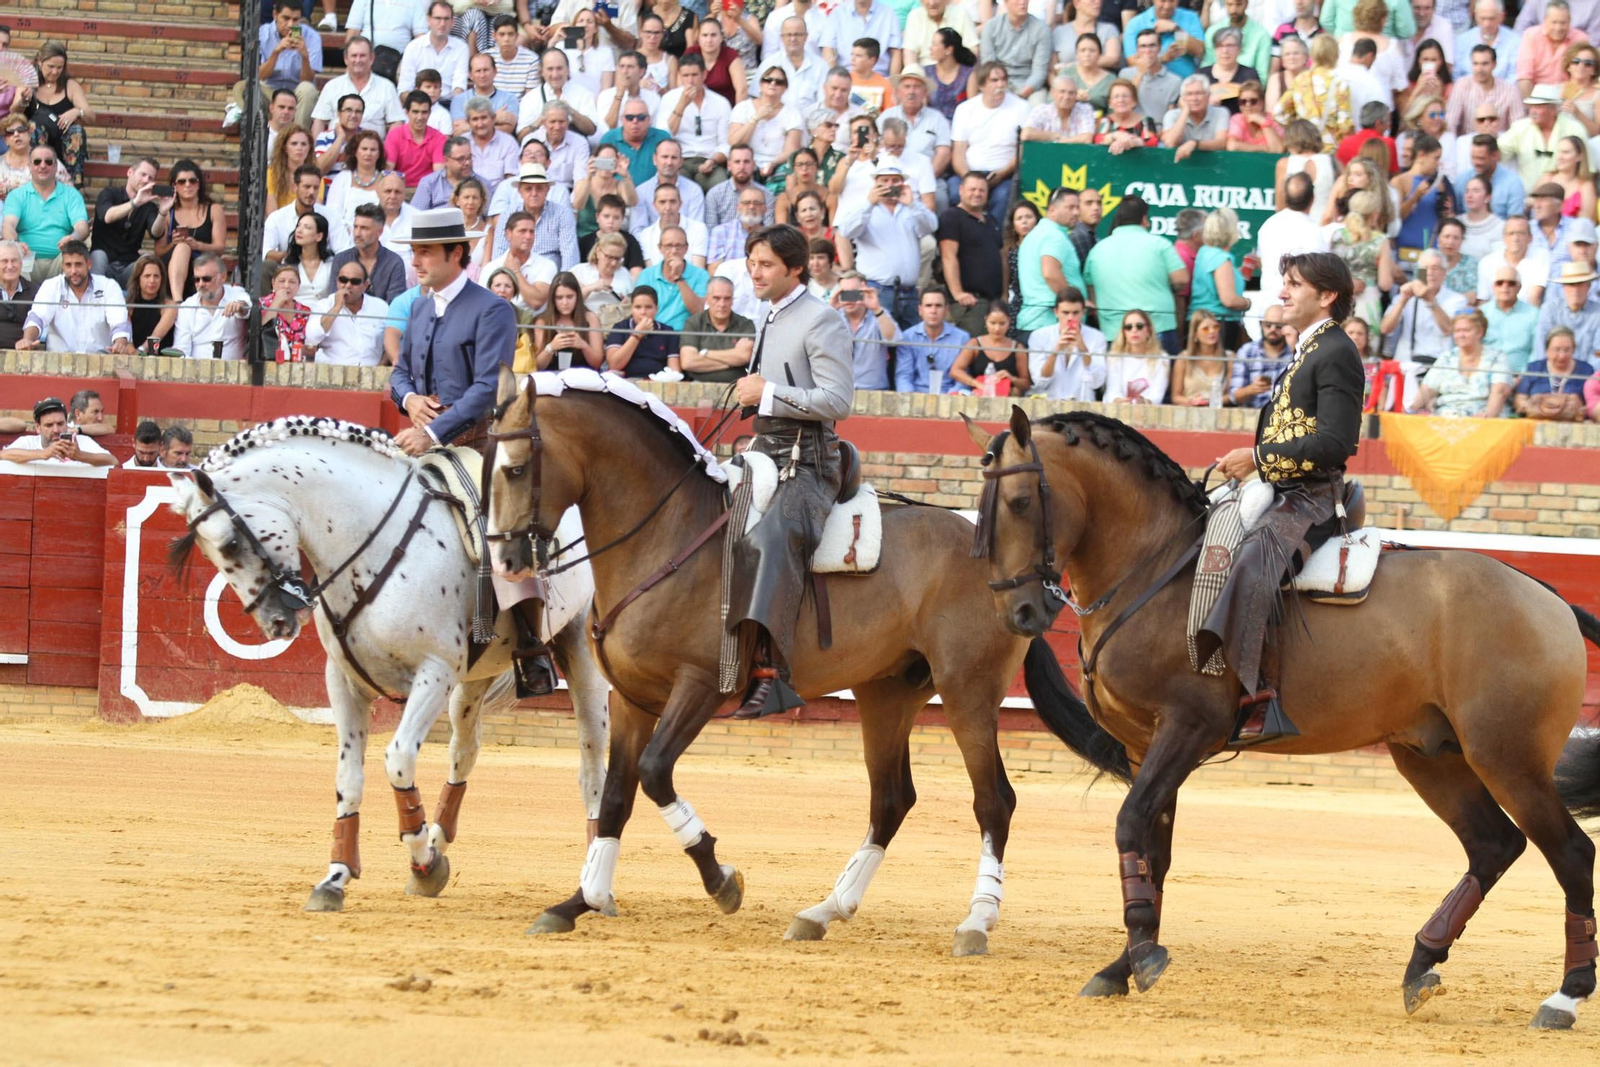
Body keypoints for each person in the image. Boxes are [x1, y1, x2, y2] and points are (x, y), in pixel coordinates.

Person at [388, 204, 555, 695]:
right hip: (422, 442)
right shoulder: (420, 307)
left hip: (478, 445)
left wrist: (434, 431)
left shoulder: (493, 309)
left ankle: (530, 646)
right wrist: (409, 399)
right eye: (415, 251)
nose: (416, 261)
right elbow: (399, 373)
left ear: (456, 254)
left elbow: (487, 388)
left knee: (498, 532)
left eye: (426, 251)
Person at [1208, 252, 1364, 745]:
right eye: (1285, 283)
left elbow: (1335, 442)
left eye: (1294, 284)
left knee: (1253, 563)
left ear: (1327, 295)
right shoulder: (1311, 347)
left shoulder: (1335, 350)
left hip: (1312, 497)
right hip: (1285, 489)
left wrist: (1258, 459)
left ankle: (1258, 698)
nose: (1282, 293)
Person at [725, 222, 853, 718]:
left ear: (795, 268)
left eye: (766, 265)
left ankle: (771, 672)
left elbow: (839, 401)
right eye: (751, 263)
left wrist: (769, 393)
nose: (755, 273)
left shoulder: (822, 319)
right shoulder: (772, 314)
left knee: (773, 538)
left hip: (811, 459)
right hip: (766, 450)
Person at [837, 159, 936, 328]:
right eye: (884, 180)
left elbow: (931, 226)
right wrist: (869, 203)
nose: (890, 185)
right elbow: (846, 231)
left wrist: (912, 204)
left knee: (910, 340)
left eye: (895, 180)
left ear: (902, 183)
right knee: (879, 339)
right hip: (877, 290)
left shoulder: (911, 207)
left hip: (909, 291)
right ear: (876, 183)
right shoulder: (863, 206)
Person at [1085, 195, 1190, 350]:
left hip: (1114, 332)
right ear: (1144, 219)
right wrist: (1169, 287)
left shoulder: (1096, 251)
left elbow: (1092, 292)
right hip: (1157, 328)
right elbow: (1181, 279)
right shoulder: (1160, 244)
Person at [15, 242, 133, 354]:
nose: (73, 271)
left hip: (101, 360)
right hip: (58, 361)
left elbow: (119, 321)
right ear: (62, 266)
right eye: (68, 265)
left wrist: (120, 344)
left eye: (78, 264)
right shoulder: (51, 285)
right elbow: (37, 317)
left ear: (89, 264)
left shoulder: (108, 286)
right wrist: (27, 339)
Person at [948, 62, 1028, 226]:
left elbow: (1022, 150)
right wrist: (972, 180)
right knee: (955, 191)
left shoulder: (1022, 107)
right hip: (969, 172)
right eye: (994, 80)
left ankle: (993, 236)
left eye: (1003, 80)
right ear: (981, 85)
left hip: (1004, 174)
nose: (1000, 85)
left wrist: (1003, 172)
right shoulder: (965, 109)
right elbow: (958, 155)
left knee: (1003, 195)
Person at [227, 1, 322, 131]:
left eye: (295, 20)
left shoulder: (312, 37)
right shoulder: (261, 34)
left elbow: (307, 80)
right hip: (270, 92)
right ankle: (263, 132)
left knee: (308, 89)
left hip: (296, 93)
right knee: (244, 88)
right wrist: (276, 53)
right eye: (286, 18)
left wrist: (305, 56)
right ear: (275, 15)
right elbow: (259, 75)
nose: (290, 24)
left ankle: (296, 135)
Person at [1, 142, 87, 283]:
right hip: (26, 259)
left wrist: (74, 237)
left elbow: (82, 226)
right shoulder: (17, 195)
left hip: (61, 259)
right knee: (10, 256)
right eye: (37, 162)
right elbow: (8, 225)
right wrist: (15, 245)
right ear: (29, 166)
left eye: (48, 162)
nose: (42, 166)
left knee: (77, 251)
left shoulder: (71, 195)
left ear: (56, 166)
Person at [1409, 308, 1514, 415]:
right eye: (1457, 331)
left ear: (1480, 332)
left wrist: (1488, 416)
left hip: (1483, 417)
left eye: (1466, 330)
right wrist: (1411, 410)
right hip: (1445, 416)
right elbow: (1427, 389)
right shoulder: (1447, 357)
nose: (1461, 335)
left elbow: (1499, 392)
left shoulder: (1497, 357)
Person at [936, 171, 1002, 340]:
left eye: (981, 190)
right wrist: (958, 293)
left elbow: (1001, 257)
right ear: (961, 190)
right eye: (972, 189)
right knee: (974, 350)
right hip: (971, 302)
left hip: (994, 302)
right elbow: (948, 256)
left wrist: (1004, 295)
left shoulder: (992, 221)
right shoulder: (952, 216)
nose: (977, 194)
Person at [1014, 185, 1084, 336]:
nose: (1076, 212)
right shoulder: (1053, 236)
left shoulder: (1035, 234)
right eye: (1070, 207)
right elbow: (1050, 274)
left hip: (1033, 323)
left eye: (1077, 207)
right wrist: (1074, 303)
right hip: (1049, 325)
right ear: (1052, 209)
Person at [659, 53, 735, 191]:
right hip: (679, 160)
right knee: (674, 188)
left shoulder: (720, 102)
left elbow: (725, 143)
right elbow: (665, 136)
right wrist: (682, 105)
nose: (690, 81)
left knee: (722, 188)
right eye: (685, 76)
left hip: (709, 159)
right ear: (679, 76)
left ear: (704, 75)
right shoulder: (669, 99)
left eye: (694, 75)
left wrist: (713, 161)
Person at [90, 158, 170, 286]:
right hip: (103, 261)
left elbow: (156, 233)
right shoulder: (109, 194)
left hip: (128, 266)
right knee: (98, 256)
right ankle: (94, 296)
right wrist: (135, 202)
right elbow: (107, 216)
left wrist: (163, 212)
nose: (146, 180)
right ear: (130, 173)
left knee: (147, 262)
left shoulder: (148, 206)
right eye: (143, 174)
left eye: (150, 178)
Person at [23, 42, 93, 187]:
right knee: (33, 127)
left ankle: (72, 185)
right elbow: (14, 114)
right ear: (40, 62)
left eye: (59, 67)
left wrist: (77, 111)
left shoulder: (70, 85)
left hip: (63, 141)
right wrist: (23, 101)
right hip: (37, 140)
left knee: (77, 132)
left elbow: (91, 117)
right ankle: (36, 181)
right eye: (51, 66)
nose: (55, 72)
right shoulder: (29, 83)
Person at [156, 160, 227, 300]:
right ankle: (178, 301)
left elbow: (219, 249)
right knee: (182, 247)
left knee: (185, 247)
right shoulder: (168, 212)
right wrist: (173, 244)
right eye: (182, 182)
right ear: (175, 186)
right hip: (172, 269)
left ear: (198, 184)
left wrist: (197, 245)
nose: (187, 185)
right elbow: (158, 251)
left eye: (192, 181)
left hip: (202, 267)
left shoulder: (214, 210)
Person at [310, 36, 403, 139]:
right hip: (337, 145)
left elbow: (396, 122)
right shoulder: (331, 86)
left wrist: (387, 148)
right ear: (346, 59)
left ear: (372, 58)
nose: (358, 60)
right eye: (354, 56)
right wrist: (318, 147)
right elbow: (319, 121)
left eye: (362, 56)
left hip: (372, 146)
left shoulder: (387, 87)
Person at [1500, 82, 1589, 188]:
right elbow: (1499, 152)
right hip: (1527, 195)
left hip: (1565, 194)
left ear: (1553, 110)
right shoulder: (1520, 127)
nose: (1533, 111)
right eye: (1531, 107)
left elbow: (1586, 167)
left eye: (1538, 107)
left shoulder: (1574, 128)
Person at [1027, 286, 1107, 402]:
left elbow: (1097, 382)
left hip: (1083, 403)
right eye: (1065, 312)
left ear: (1083, 312)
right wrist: (1055, 351)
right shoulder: (1039, 336)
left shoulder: (1097, 337)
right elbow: (1039, 381)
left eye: (1075, 313)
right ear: (1056, 312)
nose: (1070, 318)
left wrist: (1083, 348)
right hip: (1050, 403)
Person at [305, 261, 389, 365]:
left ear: (365, 285)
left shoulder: (381, 307)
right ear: (337, 281)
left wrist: (381, 368)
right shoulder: (324, 305)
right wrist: (336, 307)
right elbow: (311, 338)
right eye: (343, 280)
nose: (348, 285)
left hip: (371, 372)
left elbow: (393, 341)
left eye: (355, 281)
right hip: (333, 371)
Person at [172, 254, 252, 361]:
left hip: (233, 368)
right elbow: (181, 349)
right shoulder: (187, 307)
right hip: (197, 368)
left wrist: (239, 306)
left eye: (206, 279)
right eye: (197, 279)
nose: (201, 284)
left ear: (222, 277)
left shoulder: (236, 294)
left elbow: (248, 308)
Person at [677, 275, 754, 381]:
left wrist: (706, 353)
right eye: (716, 298)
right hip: (698, 385)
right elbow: (688, 362)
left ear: (732, 300)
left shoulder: (745, 324)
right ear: (707, 299)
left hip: (737, 385)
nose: (722, 304)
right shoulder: (694, 323)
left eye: (727, 298)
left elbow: (744, 356)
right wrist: (732, 362)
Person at [0, 397, 114, 468]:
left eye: (60, 424)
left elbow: (112, 461)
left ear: (67, 423)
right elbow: (3, 455)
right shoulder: (29, 442)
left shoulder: (82, 441)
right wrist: (44, 453)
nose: (56, 430)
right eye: (49, 425)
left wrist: (79, 455)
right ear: (38, 427)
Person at [892, 287, 968, 393]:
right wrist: (910, 398)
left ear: (946, 310)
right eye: (928, 306)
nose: (933, 311)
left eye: (938, 306)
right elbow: (904, 376)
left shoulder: (962, 338)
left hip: (949, 395)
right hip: (915, 395)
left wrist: (951, 397)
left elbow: (962, 378)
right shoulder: (907, 337)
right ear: (920, 310)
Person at [633, 224, 708, 327]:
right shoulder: (646, 275)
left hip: (685, 333)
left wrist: (679, 278)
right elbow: (639, 312)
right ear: (660, 248)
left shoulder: (701, 275)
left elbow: (699, 311)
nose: (674, 251)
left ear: (686, 248)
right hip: (653, 331)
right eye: (669, 246)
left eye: (678, 246)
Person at [332, 203, 410, 302]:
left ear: (379, 232)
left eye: (364, 228)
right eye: (355, 227)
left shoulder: (394, 263)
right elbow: (334, 298)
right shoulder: (341, 260)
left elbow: (395, 304)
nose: (357, 233)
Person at [1513, 323, 1593, 418]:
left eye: (1567, 350)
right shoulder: (1534, 368)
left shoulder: (1585, 370)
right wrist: (1530, 406)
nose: (1562, 356)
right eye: (1557, 350)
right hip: (1537, 419)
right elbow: (1520, 398)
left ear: (1573, 350)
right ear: (1547, 350)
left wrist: (1582, 410)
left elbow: (1592, 402)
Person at [832, 271, 897, 387]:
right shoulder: (833, 317)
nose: (849, 299)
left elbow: (893, 340)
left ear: (864, 291)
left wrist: (876, 309)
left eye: (854, 293)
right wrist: (830, 310)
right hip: (840, 389)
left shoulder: (879, 314)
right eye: (845, 293)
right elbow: (814, 343)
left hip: (874, 390)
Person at [529, 271, 604, 370]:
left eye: (569, 297)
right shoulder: (542, 321)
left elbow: (597, 363)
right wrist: (551, 347)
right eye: (559, 298)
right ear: (553, 299)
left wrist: (583, 345)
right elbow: (537, 366)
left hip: (582, 375)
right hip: (551, 375)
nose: (565, 303)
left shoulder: (590, 318)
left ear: (577, 296)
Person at [949, 302, 1029, 395]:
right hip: (979, 394)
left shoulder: (1017, 348)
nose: (997, 328)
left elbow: (1026, 383)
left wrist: (1011, 378)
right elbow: (955, 371)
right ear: (985, 320)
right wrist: (976, 383)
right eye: (993, 323)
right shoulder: (975, 344)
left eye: (1002, 323)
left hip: (1008, 396)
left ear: (1009, 322)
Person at [979, 0, 1051, 100]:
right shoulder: (991, 27)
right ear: (1006, 3)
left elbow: (1039, 71)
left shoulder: (1041, 29)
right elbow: (988, 65)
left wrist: (1023, 93)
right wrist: (1000, 86)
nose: (1022, 2)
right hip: (998, 81)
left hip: (1028, 83)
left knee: (1038, 101)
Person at [1517, 0, 1589, 97]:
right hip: (1536, 96)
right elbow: (1524, 76)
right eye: (1554, 22)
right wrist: (1529, 102)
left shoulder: (1580, 39)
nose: (1558, 28)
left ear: (1570, 21)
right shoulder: (1531, 36)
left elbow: (1583, 78)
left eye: (1563, 23)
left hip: (1569, 96)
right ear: (1545, 20)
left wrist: (1568, 102)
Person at [603, 284, 679, 376]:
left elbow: (674, 371)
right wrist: (636, 335)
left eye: (648, 307)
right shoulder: (620, 328)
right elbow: (614, 365)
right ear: (631, 309)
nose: (643, 312)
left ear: (656, 309)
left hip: (657, 380)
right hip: (625, 380)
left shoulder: (667, 332)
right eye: (638, 307)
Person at [1228, 303, 1293, 407]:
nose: (1272, 329)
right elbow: (1234, 397)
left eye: (1278, 326)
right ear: (1261, 324)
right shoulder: (1247, 351)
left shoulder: (1295, 352)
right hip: (1253, 413)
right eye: (1268, 325)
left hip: (1284, 413)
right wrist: (1251, 389)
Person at [1478, 214, 1551, 304]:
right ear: (1504, 238)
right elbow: (1483, 299)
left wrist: (1531, 313)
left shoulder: (1541, 256)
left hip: (1527, 310)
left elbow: (1535, 296)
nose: (1515, 238)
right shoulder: (1487, 262)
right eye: (1511, 233)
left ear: (1530, 238)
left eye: (1521, 233)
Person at [1122, 0, 1204, 80]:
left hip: (1185, 82)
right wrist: (1163, 59)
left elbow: (1199, 51)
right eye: (1162, 1)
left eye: (1172, 1)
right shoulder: (1136, 23)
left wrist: (1176, 29)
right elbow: (1132, 62)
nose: (1167, 6)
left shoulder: (1190, 17)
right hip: (1149, 82)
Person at [1102, 307, 1170, 403]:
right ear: (1124, 332)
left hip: (1148, 410)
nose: (1134, 330)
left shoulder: (1162, 358)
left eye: (1139, 326)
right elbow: (1112, 392)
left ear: (1148, 330)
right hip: (1117, 408)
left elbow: (1157, 395)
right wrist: (1122, 402)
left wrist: (1143, 402)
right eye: (1128, 327)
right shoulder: (1114, 357)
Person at [1482, 264, 1541, 371]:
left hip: (1521, 375)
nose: (1505, 287)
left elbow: (1536, 351)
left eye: (1511, 283)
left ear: (1519, 287)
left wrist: (1524, 376)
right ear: (1493, 287)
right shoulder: (1482, 313)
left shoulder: (1533, 314)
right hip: (1486, 373)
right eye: (1500, 283)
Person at [1171, 310, 1233, 405]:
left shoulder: (1229, 358)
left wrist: (1210, 401)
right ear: (1195, 334)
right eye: (1205, 329)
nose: (1212, 331)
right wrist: (1192, 402)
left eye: (1215, 327)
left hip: (1218, 410)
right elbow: (1175, 397)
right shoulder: (1183, 359)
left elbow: (1233, 395)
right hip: (1189, 411)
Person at [1121, 29, 1183, 122]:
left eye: (1152, 46)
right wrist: (1140, 73)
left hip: (1159, 127)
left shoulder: (1174, 81)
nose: (1148, 51)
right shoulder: (1125, 74)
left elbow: (1172, 115)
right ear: (1137, 49)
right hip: (1132, 126)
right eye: (1143, 46)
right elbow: (1125, 103)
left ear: (1160, 48)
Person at [125, 254, 177, 352]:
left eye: (156, 276)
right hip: (133, 356)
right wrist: (131, 350)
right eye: (147, 276)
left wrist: (141, 351)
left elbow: (156, 337)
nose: (152, 280)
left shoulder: (169, 306)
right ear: (138, 278)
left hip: (160, 357)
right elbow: (127, 337)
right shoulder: (129, 306)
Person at [260, 262, 311, 362]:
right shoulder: (262, 304)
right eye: (282, 281)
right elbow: (264, 329)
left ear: (298, 286)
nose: (287, 286)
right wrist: (276, 302)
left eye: (292, 282)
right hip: (269, 361)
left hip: (297, 364)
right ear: (273, 283)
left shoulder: (304, 311)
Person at [925, 26, 977, 122]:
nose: (930, 48)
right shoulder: (926, 73)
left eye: (935, 44)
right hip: (932, 125)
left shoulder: (968, 74)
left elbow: (973, 108)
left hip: (959, 126)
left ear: (948, 50)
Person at [285, 211, 334, 301]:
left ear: (319, 236)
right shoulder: (288, 263)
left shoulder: (331, 263)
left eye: (307, 227)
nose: (299, 230)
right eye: (298, 226)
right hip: (295, 308)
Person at [0, 240, 38, 350]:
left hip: (24, 353)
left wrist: (27, 340)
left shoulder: (35, 291)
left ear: (21, 264)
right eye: (4, 261)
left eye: (14, 261)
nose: (10, 266)